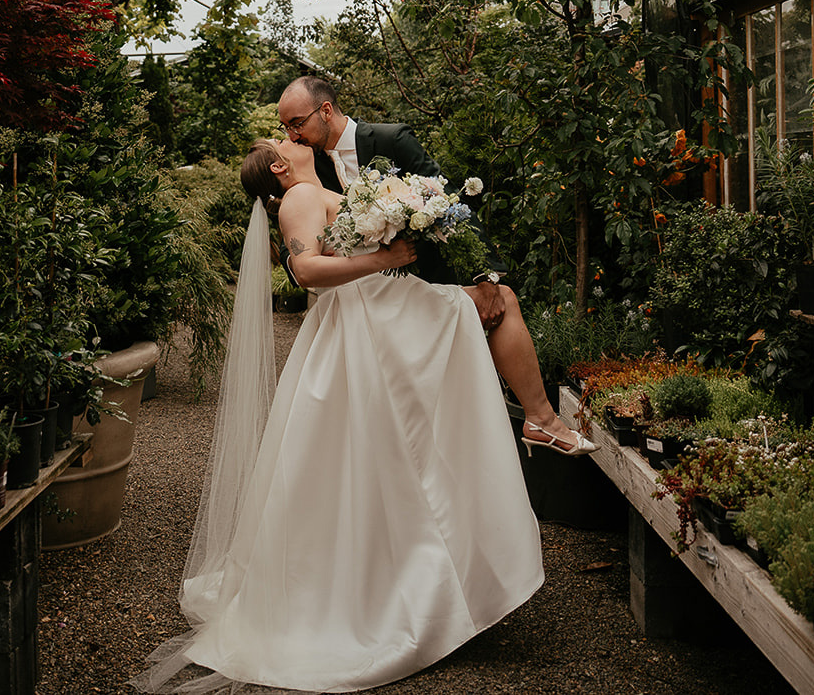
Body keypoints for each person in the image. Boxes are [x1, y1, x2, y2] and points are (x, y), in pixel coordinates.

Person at [133, 137, 587, 695]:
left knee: (401, 446)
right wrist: (385, 259)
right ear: (279, 166)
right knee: (495, 312)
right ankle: (538, 422)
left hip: (383, 313)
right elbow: (305, 271)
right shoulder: (299, 195)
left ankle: (442, 559)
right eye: (285, 140)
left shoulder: (315, 189)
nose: (294, 140)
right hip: (373, 318)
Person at [276, 75, 592, 456]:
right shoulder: (307, 168)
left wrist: (485, 275)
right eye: (286, 128)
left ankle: (536, 423)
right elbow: (297, 241)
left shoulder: (391, 140)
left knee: (499, 298)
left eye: (297, 124)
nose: (292, 137)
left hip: (419, 283)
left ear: (325, 110)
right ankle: (541, 419)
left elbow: (447, 204)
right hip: (366, 300)